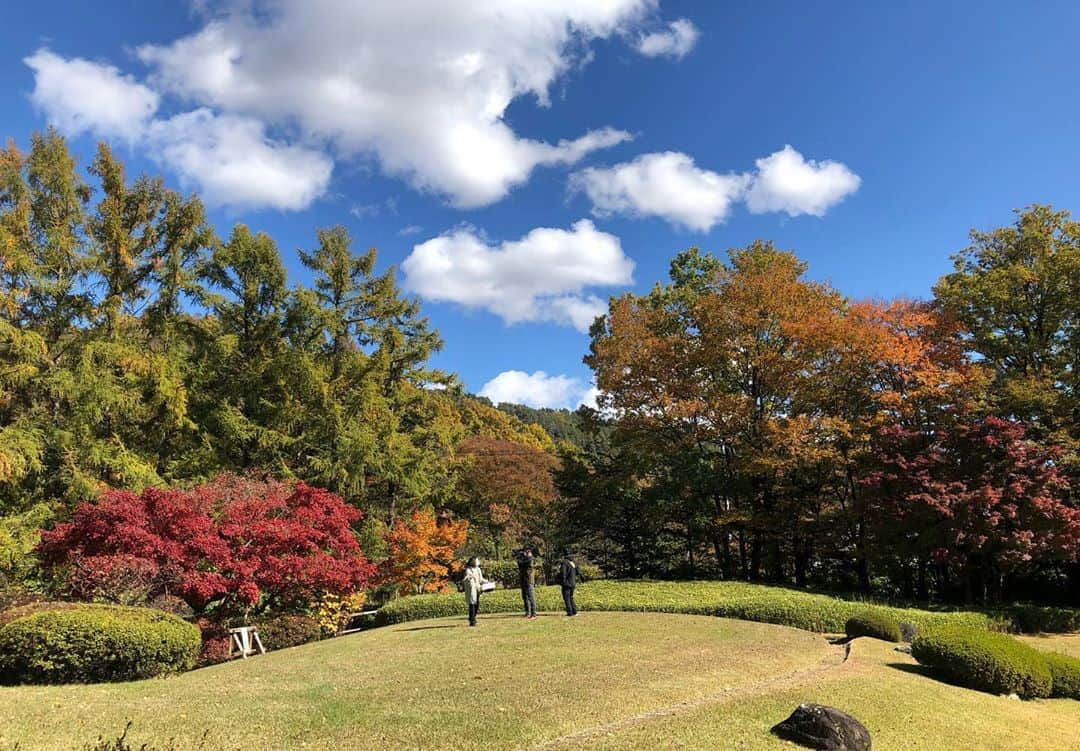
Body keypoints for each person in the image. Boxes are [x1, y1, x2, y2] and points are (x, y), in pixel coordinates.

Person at [462, 556, 486, 626]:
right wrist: (470, 577)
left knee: (477, 604)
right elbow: (466, 578)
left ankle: (472, 617)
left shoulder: (478, 569)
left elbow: (481, 579)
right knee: (472, 604)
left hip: (477, 589)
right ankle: (472, 621)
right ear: (473, 561)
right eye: (477, 560)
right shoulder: (468, 569)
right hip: (471, 590)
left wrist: (487, 581)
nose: (478, 561)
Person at [515, 547, 537, 619]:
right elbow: (520, 564)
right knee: (525, 597)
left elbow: (527, 563)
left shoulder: (531, 559)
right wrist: (520, 557)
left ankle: (533, 613)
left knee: (531, 596)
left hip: (529, 580)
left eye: (526, 552)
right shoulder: (525, 559)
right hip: (524, 580)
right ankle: (528, 612)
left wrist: (524, 557)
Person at [559, 549, 579, 616]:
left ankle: (569, 612)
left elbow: (563, 573)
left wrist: (563, 581)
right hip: (573, 582)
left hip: (566, 583)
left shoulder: (564, 562)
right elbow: (578, 572)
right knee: (571, 597)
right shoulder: (574, 562)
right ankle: (574, 611)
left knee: (566, 598)